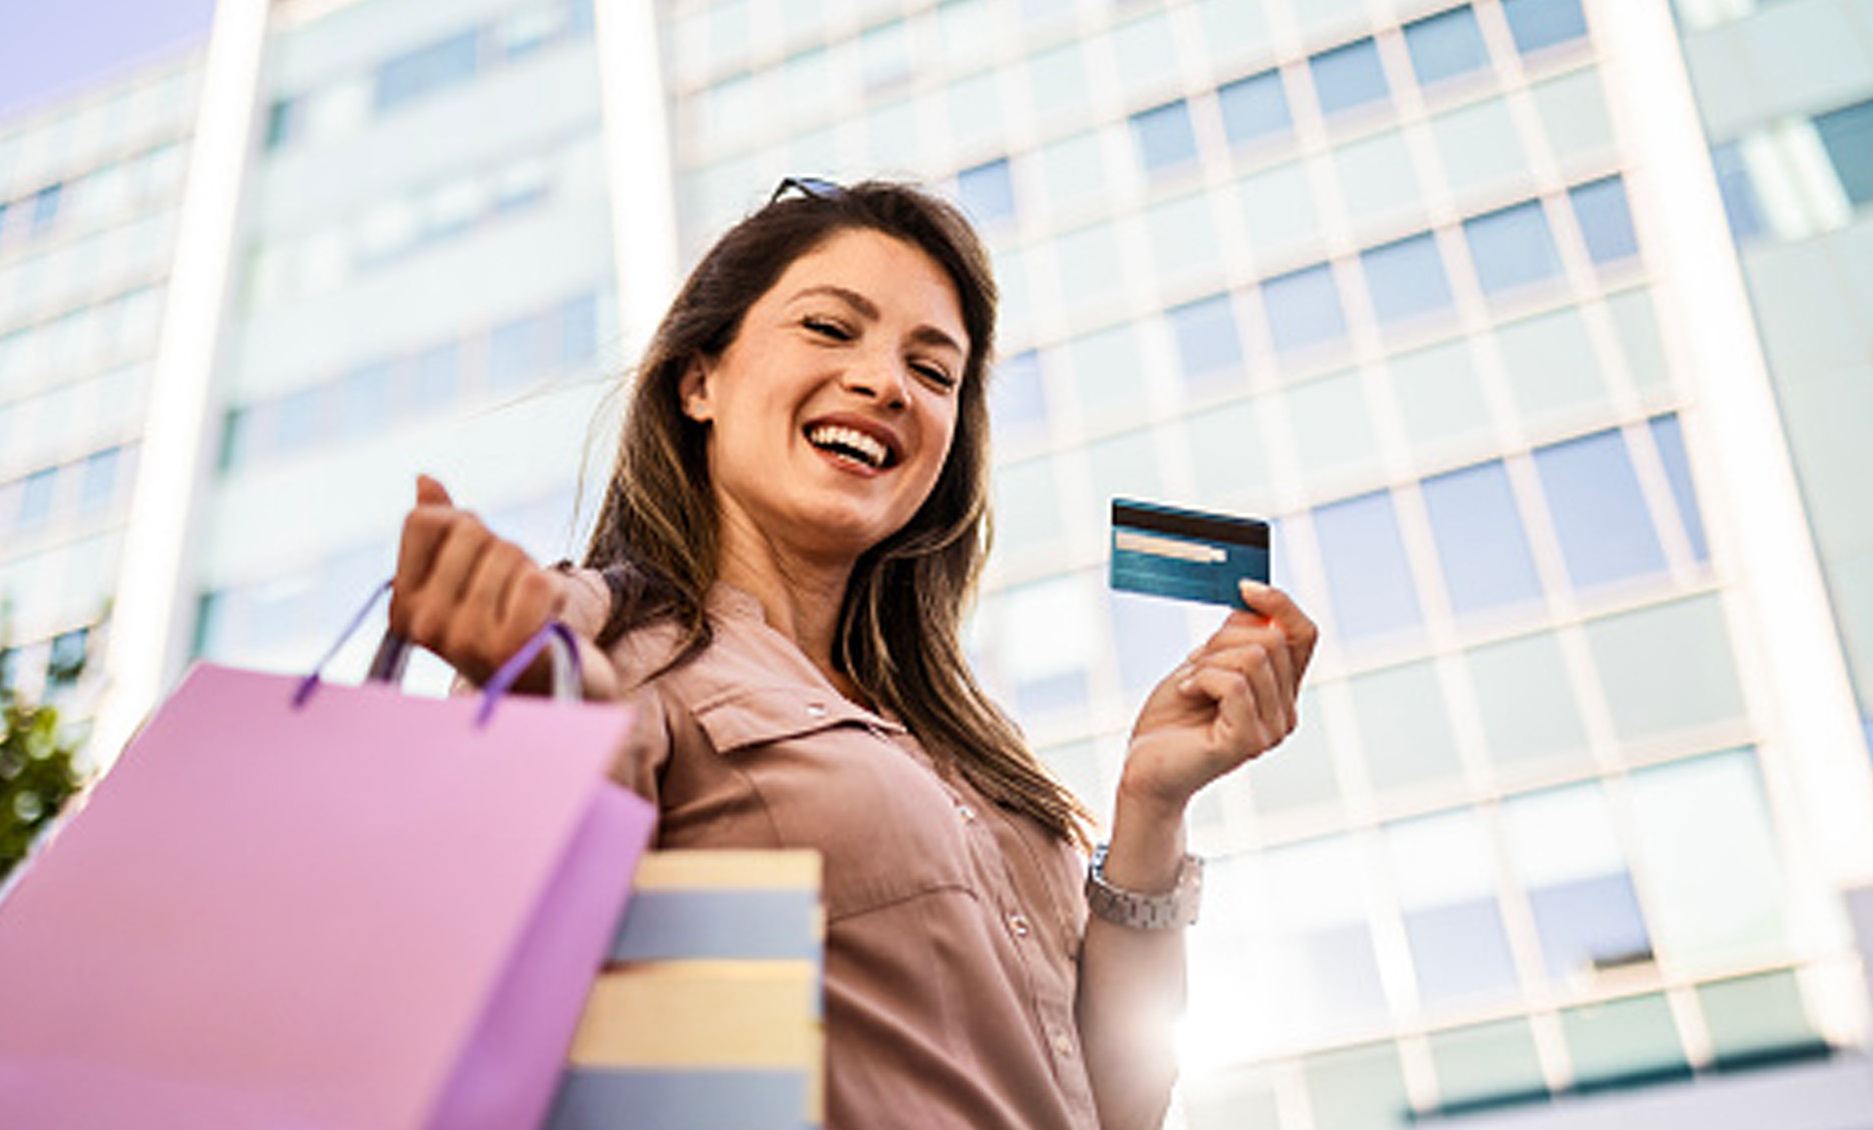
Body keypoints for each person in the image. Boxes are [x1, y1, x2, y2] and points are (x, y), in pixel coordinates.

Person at [391, 179, 1317, 1130]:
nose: (886, 384)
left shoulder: (956, 738)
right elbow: (512, 984)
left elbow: (1114, 1106)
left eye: (934, 370)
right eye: (832, 329)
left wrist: (1152, 806)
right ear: (697, 379)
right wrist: (539, 695)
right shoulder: (606, 643)